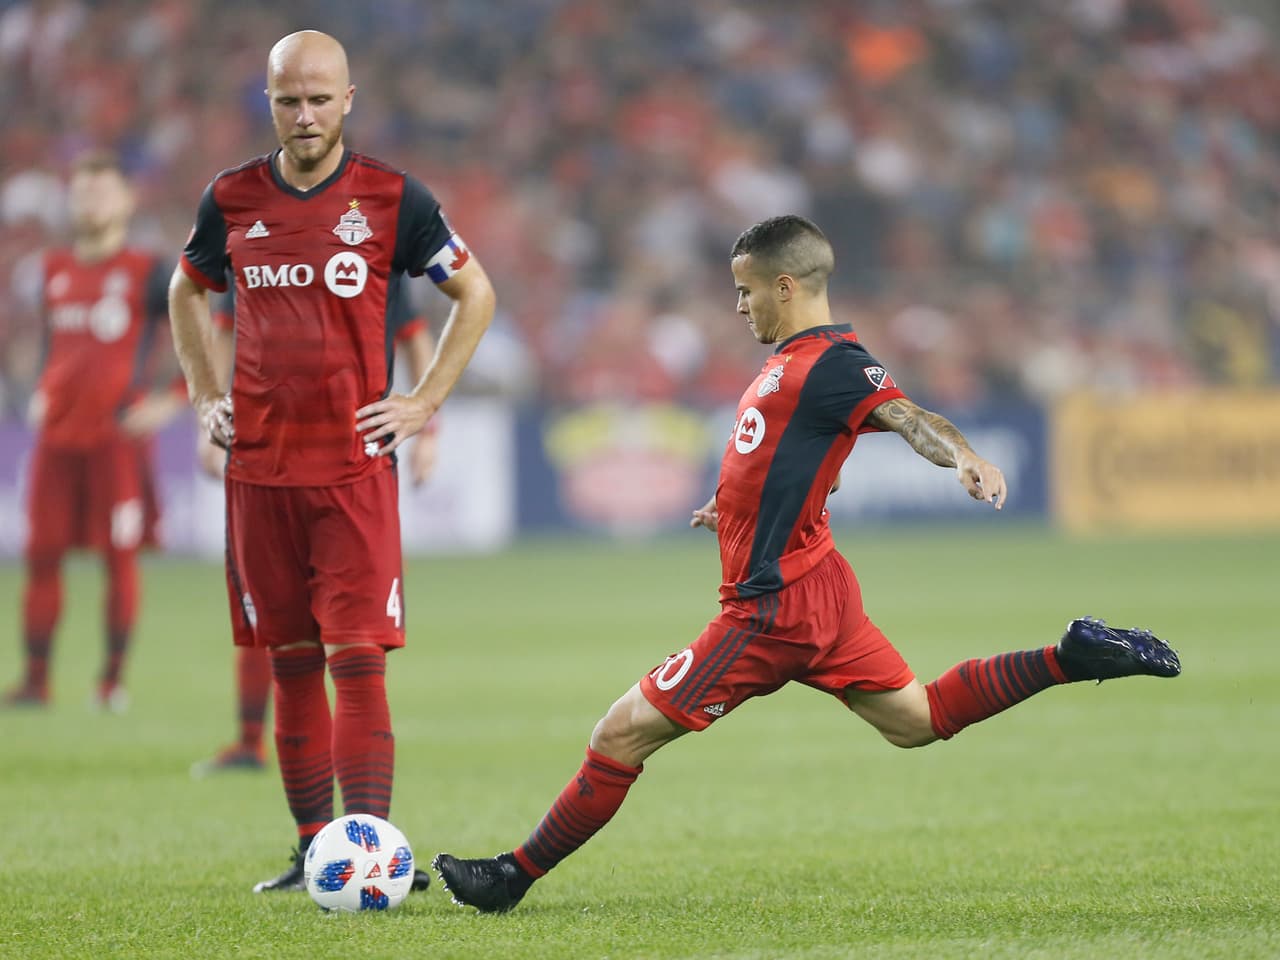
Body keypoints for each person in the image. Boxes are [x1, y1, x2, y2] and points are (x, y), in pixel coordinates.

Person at [431, 214, 1181, 913]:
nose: (738, 306)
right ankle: (1070, 656)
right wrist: (726, 507)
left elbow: (908, 417)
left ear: (785, 287)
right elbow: (799, 461)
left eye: (745, 290)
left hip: (770, 609)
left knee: (618, 735)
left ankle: (511, 877)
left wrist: (966, 457)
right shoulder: (792, 365)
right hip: (819, 586)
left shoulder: (832, 363)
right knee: (916, 720)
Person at [167, 30, 495, 892]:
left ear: (349, 99)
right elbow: (185, 289)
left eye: (319, 99)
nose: (304, 115)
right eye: (288, 100)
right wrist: (206, 395)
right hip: (259, 474)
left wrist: (425, 403)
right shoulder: (232, 197)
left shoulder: (393, 197)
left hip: (351, 471)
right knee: (289, 660)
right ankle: (317, 851)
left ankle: (374, 851)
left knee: (357, 656)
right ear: (268, 103)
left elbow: (475, 292)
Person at [190, 289, 442, 778]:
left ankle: (357, 814)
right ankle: (250, 742)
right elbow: (223, 328)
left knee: (350, 634)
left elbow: (414, 334)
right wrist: (211, 414)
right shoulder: (246, 228)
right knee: (275, 622)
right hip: (264, 461)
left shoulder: (370, 235)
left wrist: (427, 426)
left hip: (349, 470)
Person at [4, 151, 185, 712]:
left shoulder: (151, 273)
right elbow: (54, 345)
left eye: (103, 192)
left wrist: (173, 400)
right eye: (83, 193)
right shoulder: (51, 269)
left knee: (119, 558)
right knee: (41, 555)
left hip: (116, 440)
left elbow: (204, 335)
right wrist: (37, 387)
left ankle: (111, 681)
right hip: (57, 437)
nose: (91, 203)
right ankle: (35, 681)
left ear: (128, 201)